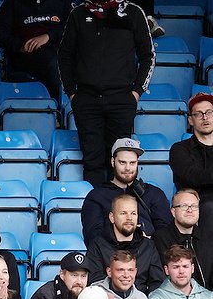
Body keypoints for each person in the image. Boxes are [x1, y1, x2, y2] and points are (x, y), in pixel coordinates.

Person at [59, 0, 154, 186]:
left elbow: (148, 56)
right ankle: (96, 212)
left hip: (122, 99)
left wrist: (136, 92)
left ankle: (120, 214)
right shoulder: (78, 13)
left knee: (122, 162)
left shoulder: (133, 12)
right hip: (86, 99)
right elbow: (64, 56)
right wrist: (72, 93)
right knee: (92, 161)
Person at [80, 138, 172, 242]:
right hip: (111, 256)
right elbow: (93, 239)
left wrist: (147, 243)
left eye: (132, 163)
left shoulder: (154, 194)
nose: (128, 168)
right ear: (113, 162)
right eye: (122, 162)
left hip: (149, 255)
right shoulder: (96, 197)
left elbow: (167, 236)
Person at [83, 193, 165, 292]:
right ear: (112, 217)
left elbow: (157, 283)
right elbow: (96, 283)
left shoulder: (148, 246)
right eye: (123, 213)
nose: (129, 218)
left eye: (133, 213)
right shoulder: (97, 245)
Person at [170, 92, 213, 227]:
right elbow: (194, 177)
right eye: (198, 114)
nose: (205, 117)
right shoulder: (179, 149)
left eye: (209, 112)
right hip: (197, 204)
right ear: (190, 120)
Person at [155, 188, 213, 288]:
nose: (190, 210)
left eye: (194, 206)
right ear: (173, 211)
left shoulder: (209, 237)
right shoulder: (160, 238)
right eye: (184, 206)